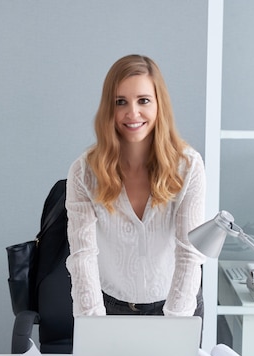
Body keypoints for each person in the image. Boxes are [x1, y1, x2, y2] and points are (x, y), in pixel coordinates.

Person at [66, 54, 206, 318]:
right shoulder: (83, 173)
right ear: (109, 108)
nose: (132, 113)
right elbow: (82, 256)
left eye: (143, 100)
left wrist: (174, 326)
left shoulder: (188, 167)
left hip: (177, 305)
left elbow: (189, 252)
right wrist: (94, 325)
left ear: (159, 105)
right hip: (109, 307)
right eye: (121, 102)